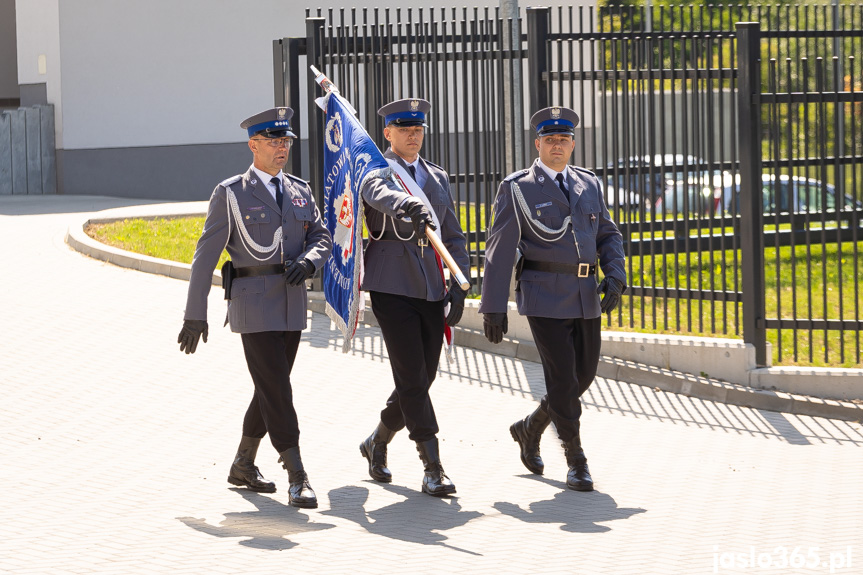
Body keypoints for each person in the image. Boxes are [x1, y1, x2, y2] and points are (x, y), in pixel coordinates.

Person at [177, 107, 332, 508]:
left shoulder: (300, 190)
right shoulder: (231, 193)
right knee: (278, 389)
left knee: (269, 388)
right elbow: (204, 257)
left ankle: (243, 464)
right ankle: (297, 474)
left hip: (291, 303)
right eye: (274, 142)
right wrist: (195, 313)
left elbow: (321, 235)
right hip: (254, 304)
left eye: (287, 142)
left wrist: (310, 260)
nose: (282, 148)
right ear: (253, 145)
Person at [479, 106, 627, 492]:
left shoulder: (588, 184)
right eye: (550, 139)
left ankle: (531, 427)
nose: (557, 145)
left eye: (564, 139)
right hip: (544, 296)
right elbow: (498, 249)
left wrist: (615, 273)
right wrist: (493, 306)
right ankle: (576, 459)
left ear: (573, 144)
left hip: (585, 296)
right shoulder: (518, 187)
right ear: (538, 144)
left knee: (584, 376)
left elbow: (608, 234)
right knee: (563, 380)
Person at [357, 98, 471, 496]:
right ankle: (432, 465)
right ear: (387, 134)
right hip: (391, 283)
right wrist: (405, 202)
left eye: (418, 128)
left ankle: (377, 442)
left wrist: (459, 282)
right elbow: (375, 194)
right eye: (403, 129)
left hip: (430, 284)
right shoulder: (377, 171)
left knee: (423, 377)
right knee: (410, 375)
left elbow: (453, 234)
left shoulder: (435, 176)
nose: (412, 135)